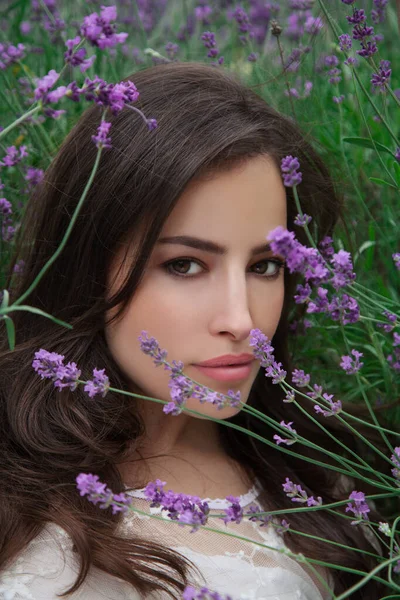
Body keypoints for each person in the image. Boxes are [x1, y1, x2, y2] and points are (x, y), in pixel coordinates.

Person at [0, 61, 390, 599]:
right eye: (184, 265)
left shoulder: (314, 465)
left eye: (265, 266)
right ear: (88, 263)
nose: (242, 321)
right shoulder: (20, 494)